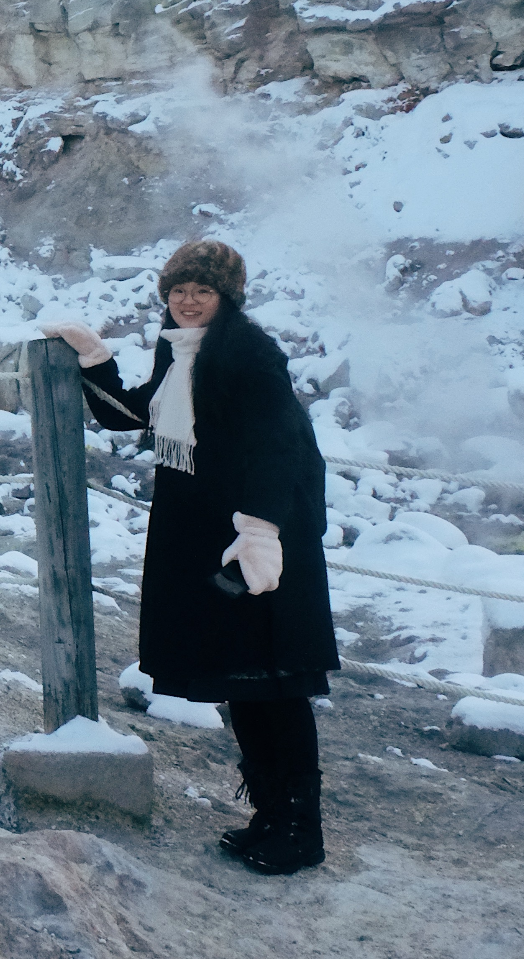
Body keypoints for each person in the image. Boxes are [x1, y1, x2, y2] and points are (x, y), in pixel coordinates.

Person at [43, 239, 337, 876]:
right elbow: (138, 415)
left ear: (225, 297)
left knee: (276, 685)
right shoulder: (178, 351)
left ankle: (300, 831)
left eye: (202, 290)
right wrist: (95, 360)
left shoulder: (250, 354)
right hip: (210, 536)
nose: (188, 300)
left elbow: (277, 449)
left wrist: (261, 532)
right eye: (178, 290)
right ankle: (268, 816)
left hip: (258, 542)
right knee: (243, 682)